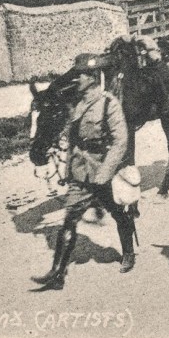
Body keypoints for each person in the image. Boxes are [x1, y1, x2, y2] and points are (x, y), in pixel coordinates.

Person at [31, 53, 135, 290]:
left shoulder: (109, 103)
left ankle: (128, 253)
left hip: (102, 171)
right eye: (77, 74)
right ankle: (57, 274)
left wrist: (104, 174)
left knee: (118, 212)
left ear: (93, 77)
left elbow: (121, 141)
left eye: (82, 75)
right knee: (70, 218)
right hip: (79, 170)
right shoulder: (76, 101)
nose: (77, 78)